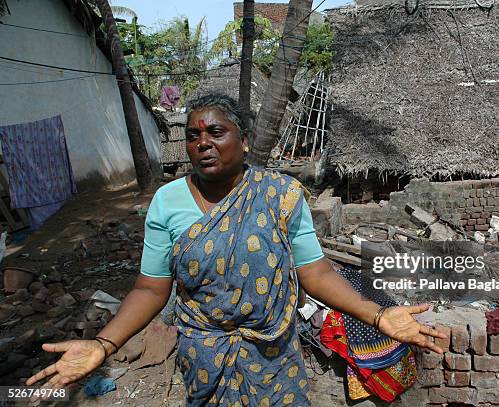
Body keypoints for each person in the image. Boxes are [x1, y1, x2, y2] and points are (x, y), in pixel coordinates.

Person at [27, 94, 446, 405]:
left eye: (216, 132)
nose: (203, 143)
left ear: (243, 141)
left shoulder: (280, 194)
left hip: (274, 358)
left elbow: (315, 273)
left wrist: (376, 314)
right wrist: (103, 345)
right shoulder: (168, 202)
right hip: (205, 359)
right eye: (193, 136)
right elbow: (151, 290)